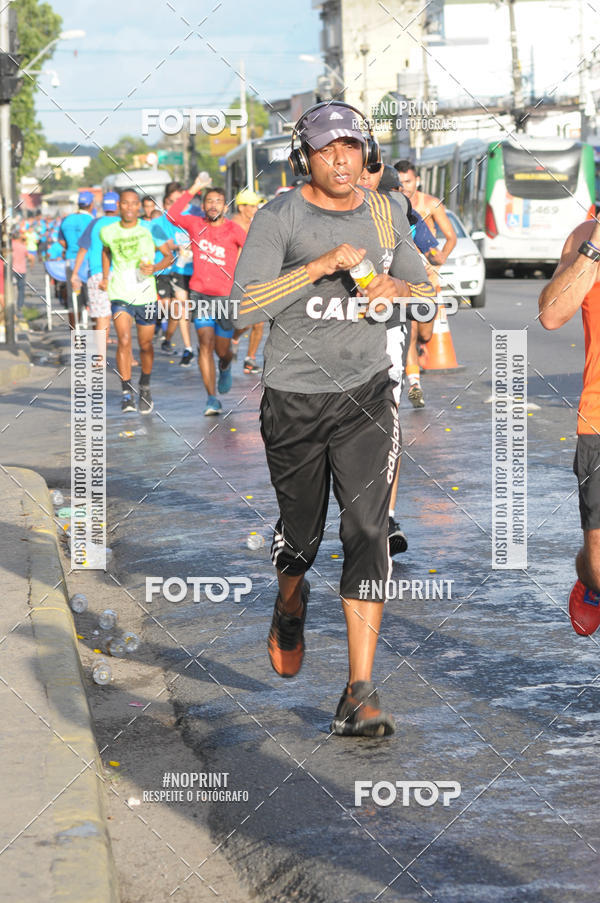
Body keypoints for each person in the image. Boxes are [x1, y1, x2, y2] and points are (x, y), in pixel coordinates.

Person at [233, 101, 435, 737]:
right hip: (293, 399)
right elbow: (242, 308)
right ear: (306, 158)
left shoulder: (386, 210)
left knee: (369, 531)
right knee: (301, 539)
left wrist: (400, 291)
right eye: (327, 149)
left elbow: (429, 292)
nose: (341, 159)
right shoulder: (279, 216)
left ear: (366, 153)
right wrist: (317, 267)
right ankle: (290, 602)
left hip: (366, 393)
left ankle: (359, 690)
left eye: (352, 146)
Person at [358, 162, 438, 558]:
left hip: (389, 327)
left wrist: (408, 287)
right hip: (332, 338)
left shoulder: (396, 214)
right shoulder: (324, 213)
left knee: (385, 419)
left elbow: (426, 281)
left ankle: (387, 517)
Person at [539, 216, 600, 636]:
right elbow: (551, 315)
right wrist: (595, 245)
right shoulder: (584, 236)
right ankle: (590, 579)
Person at [169, 178, 246, 415]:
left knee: (222, 351)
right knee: (205, 343)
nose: (214, 205)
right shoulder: (194, 224)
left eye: (219, 202)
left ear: (226, 207)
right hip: (200, 294)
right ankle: (211, 398)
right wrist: (192, 189)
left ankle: (225, 366)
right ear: (202, 206)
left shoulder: (234, 230)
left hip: (225, 298)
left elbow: (252, 253)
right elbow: (171, 215)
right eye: (209, 201)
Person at [100, 189, 174, 414]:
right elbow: (106, 252)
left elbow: (168, 256)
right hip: (120, 293)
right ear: (119, 206)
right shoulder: (108, 231)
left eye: (134, 204)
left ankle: (145, 385)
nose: (130, 208)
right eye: (125, 203)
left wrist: (155, 268)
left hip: (146, 295)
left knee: (145, 345)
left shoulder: (151, 229)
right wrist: (105, 276)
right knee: (123, 339)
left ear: (139, 207)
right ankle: (126, 392)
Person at [395, 160, 457, 408]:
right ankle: (414, 384)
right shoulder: (392, 206)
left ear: (416, 181)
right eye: (399, 182)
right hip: (404, 280)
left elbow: (451, 237)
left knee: (425, 333)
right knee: (409, 332)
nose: (404, 187)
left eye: (408, 182)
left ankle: (419, 353)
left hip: (428, 280)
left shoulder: (430, 204)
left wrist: (438, 260)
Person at [152, 187, 195, 365]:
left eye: (181, 201)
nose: (178, 205)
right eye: (172, 201)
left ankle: (167, 338)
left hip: (196, 271)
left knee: (182, 313)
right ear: (165, 203)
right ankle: (188, 348)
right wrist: (177, 246)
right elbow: (163, 242)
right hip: (171, 271)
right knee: (178, 309)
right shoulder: (161, 222)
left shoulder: (194, 217)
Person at [71, 191, 120, 345]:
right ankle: (129, 357)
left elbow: (82, 250)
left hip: (97, 274)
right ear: (118, 205)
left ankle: (100, 359)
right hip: (121, 274)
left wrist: (74, 274)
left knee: (101, 317)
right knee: (122, 316)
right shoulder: (123, 223)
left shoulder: (94, 223)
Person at [230, 188, 263, 374]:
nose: (255, 208)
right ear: (241, 207)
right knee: (247, 322)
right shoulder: (232, 225)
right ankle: (234, 338)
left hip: (257, 276)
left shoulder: (255, 224)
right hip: (238, 279)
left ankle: (250, 359)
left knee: (259, 321)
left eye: (257, 205)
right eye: (252, 206)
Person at [59, 190, 95, 328]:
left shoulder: (67, 219)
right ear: (91, 204)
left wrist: (71, 248)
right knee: (91, 300)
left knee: (73, 299)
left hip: (70, 262)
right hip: (87, 262)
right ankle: (95, 335)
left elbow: (61, 241)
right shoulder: (92, 220)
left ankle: (76, 335)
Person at [11, 230, 27, 312]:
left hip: (12, 270)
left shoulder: (10, 246)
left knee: (12, 288)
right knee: (21, 289)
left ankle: (11, 305)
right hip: (22, 270)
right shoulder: (23, 246)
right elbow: (28, 255)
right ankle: (20, 306)